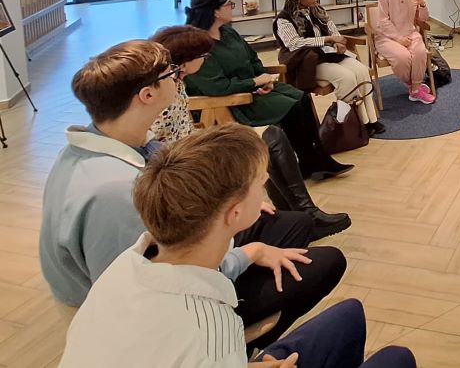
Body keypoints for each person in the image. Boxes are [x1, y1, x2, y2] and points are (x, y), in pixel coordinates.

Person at [39, 41, 347, 347]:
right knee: (325, 264)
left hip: (176, 260)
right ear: (147, 95)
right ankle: (231, 345)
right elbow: (156, 285)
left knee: (296, 224)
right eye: (171, 73)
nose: (178, 77)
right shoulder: (116, 193)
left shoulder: (111, 144)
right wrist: (251, 253)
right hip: (160, 313)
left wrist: (239, 203)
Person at [59, 124, 416, 368]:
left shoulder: (131, 261)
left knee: (349, 314)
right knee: (397, 359)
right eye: (260, 181)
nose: (266, 184)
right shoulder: (207, 330)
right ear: (234, 212)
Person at [151, 24, 351, 240]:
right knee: (268, 139)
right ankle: (303, 215)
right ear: (186, 61)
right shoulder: (164, 90)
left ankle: (298, 214)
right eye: (203, 56)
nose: (206, 59)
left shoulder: (176, 82)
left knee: (272, 135)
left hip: (192, 142)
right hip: (184, 154)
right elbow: (158, 140)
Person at [183, 0, 352, 180]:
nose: (233, 8)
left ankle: (316, 157)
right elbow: (217, 87)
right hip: (234, 101)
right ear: (215, 11)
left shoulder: (228, 32)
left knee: (301, 97)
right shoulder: (196, 45)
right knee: (292, 107)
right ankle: (310, 161)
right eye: (229, 4)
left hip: (254, 89)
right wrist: (255, 82)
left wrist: (264, 77)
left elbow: (252, 58)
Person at [274, 0, 382, 133]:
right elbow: (294, 44)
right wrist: (328, 39)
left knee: (362, 71)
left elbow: (333, 30)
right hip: (308, 62)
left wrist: (338, 43)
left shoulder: (318, 11)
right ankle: (353, 124)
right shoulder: (283, 19)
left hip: (329, 54)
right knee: (346, 77)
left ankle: (370, 120)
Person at [375, 0, 435, 103]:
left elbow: (423, 19)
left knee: (420, 52)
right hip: (387, 37)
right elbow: (383, 21)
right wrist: (398, 38)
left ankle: (415, 90)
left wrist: (423, 5)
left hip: (410, 33)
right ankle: (414, 86)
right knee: (402, 58)